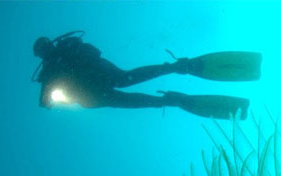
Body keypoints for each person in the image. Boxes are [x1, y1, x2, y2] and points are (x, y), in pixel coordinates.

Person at [32, 31, 262, 119]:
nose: (46, 50)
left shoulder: (68, 47)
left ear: (50, 43)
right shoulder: (47, 72)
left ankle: (177, 68)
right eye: (42, 50)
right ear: (41, 54)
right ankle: (170, 98)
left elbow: (93, 52)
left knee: (125, 80)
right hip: (92, 95)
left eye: (45, 46)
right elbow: (45, 103)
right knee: (126, 97)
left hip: (100, 77)